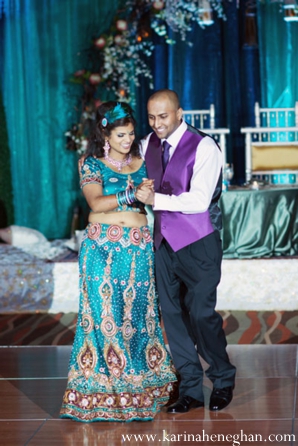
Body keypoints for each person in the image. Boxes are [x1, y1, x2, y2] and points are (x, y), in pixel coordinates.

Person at [60, 101, 177, 422]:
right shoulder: (91, 164)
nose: (128, 140)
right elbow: (96, 202)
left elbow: (159, 200)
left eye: (131, 134)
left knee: (138, 317)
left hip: (138, 248)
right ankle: (103, 392)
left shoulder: (144, 163)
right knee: (103, 318)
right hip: (101, 248)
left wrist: (151, 195)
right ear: (105, 134)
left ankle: (141, 387)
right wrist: (132, 194)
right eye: (121, 135)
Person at [136, 89, 236, 413]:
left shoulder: (204, 146)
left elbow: (198, 200)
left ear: (180, 113)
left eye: (163, 116)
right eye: (151, 117)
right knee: (174, 318)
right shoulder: (146, 144)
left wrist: (156, 201)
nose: (157, 124)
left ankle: (222, 379)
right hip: (163, 245)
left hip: (200, 243)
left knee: (201, 315)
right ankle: (191, 389)